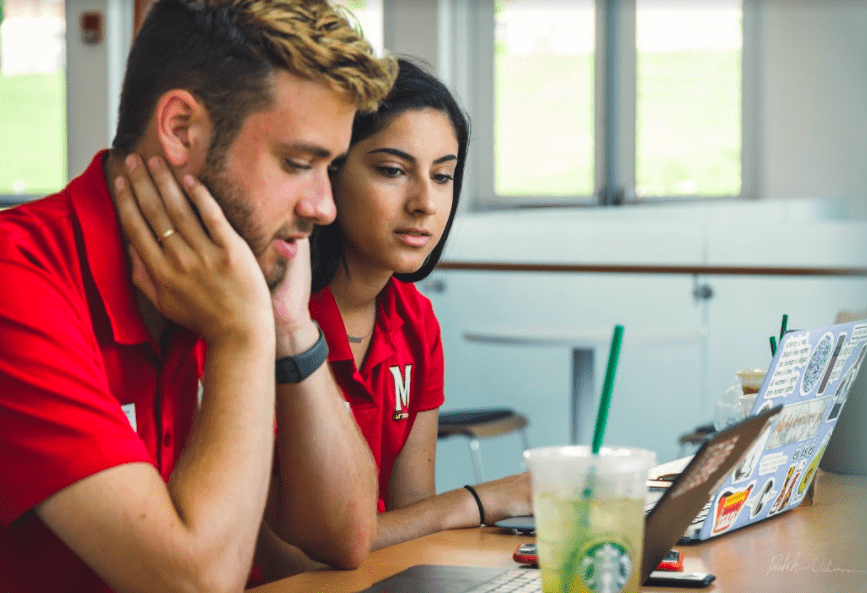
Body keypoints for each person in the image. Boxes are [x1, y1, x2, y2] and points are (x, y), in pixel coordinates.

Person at [0, 0, 397, 591]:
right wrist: (241, 336)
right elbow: (192, 584)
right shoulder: (17, 279)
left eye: (330, 168)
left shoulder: (232, 269)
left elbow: (342, 535)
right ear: (181, 129)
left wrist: (287, 327)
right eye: (297, 163)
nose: (324, 206)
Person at [254, 58, 532, 580]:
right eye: (393, 171)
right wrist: (479, 501)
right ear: (328, 174)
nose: (425, 202)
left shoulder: (416, 320)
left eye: (443, 175)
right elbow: (290, 558)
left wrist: (446, 514)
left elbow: (412, 527)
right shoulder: (274, 315)